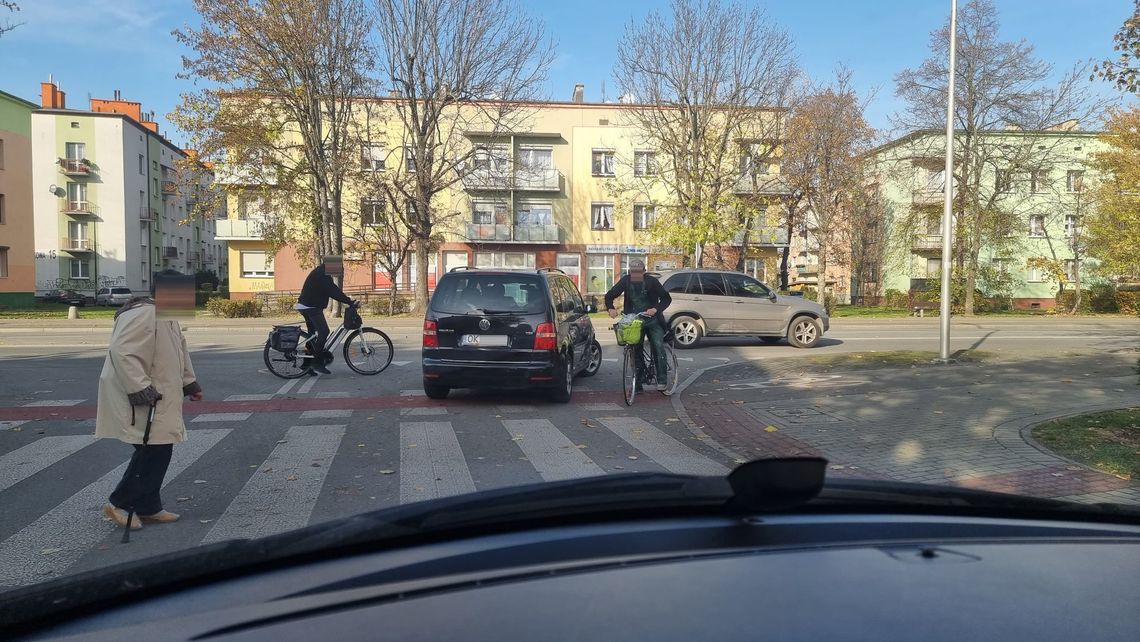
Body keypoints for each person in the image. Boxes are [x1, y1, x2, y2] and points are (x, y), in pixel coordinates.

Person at [97, 270, 203, 530]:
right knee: (151, 450)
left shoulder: (166, 316)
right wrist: (142, 389)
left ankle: (148, 507)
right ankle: (119, 503)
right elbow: (123, 352)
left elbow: (180, 352)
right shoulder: (144, 314)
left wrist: (189, 383)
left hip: (160, 395)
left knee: (159, 448)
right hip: (145, 397)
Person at [604, 259, 672, 391]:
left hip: (653, 320)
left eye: (638, 272)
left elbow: (666, 298)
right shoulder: (625, 281)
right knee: (635, 350)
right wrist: (610, 308)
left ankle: (662, 379)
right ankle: (638, 382)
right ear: (630, 272)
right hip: (633, 321)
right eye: (633, 272)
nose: (635, 275)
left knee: (658, 346)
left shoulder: (652, 282)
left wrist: (656, 309)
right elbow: (610, 295)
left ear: (644, 271)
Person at [297, 256, 355, 375]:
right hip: (311, 307)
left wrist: (347, 300)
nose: (340, 269)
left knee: (313, 336)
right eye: (339, 267)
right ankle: (317, 363)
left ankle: (306, 365)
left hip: (307, 305)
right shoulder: (322, 275)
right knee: (324, 332)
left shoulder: (321, 272)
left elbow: (333, 289)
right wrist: (349, 302)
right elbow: (333, 291)